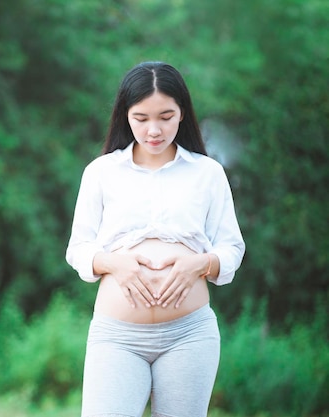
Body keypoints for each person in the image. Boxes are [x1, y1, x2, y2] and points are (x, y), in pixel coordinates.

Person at [65, 61, 245, 417]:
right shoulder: (101, 172)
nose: (154, 130)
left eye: (166, 116)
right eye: (141, 118)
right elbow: (79, 249)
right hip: (116, 336)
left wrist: (201, 263)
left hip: (189, 335)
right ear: (124, 115)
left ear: (182, 114)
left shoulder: (207, 173)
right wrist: (115, 263)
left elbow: (232, 248)